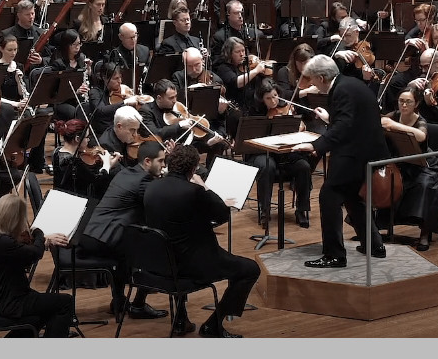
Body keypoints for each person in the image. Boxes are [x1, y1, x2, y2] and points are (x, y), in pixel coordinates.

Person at [144, 144, 260, 338]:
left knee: (177, 245)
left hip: (160, 262)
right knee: (250, 269)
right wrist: (204, 186)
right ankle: (213, 325)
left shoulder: (151, 186)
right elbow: (223, 215)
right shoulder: (194, 192)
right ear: (193, 169)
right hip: (193, 264)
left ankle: (181, 319)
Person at [292, 54, 390, 267]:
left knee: (329, 196)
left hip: (355, 153)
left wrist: (316, 145)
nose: (313, 85)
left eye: (313, 79)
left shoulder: (341, 90)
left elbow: (345, 126)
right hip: (368, 150)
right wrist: (330, 119)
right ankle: (374, 245)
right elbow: (353, 119)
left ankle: (334, 255)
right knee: (352, 198)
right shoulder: (350, 84)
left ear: (321, 77)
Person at [80, 140, 168, 320]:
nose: (164, 165)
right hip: (103, 236)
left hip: (90, 232)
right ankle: (137, 305)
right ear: (147, 162)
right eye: (161, 161)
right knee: (155, 250)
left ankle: (119, 301)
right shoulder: (144, 181)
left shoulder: (126, 171)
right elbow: (159, 206)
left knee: (129, 248)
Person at [0, 194, 75, 337]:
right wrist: (39, 232)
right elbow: (34, 253)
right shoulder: (3, 242)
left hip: (3, 297)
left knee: (45, 309)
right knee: (65, 302)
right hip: (11, 302)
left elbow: (23, 258)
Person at [250, 80, 313, 228]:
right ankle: (264, 210)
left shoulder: (288, 108)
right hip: (264, 153)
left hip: (286, 153)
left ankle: (301, 210)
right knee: (267, 167)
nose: (273, 101)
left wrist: (298, 126)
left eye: (275, 96)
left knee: (303, 166)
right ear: (261, 99)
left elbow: (304, 123)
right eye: (268, 98)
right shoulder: (256, 112)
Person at [380, 88, 436, 250]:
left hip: (423, 166)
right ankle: (376, 226)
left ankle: (425, 233)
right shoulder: (392, 116)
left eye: (408, 102)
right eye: (401, 101)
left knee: (426, 186)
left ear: (416, 104)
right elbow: (380, 122)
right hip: (399, 163)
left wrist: (395, 126)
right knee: (382, 180)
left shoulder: (420, 121)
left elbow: (421, 136)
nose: (404, 105)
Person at [51, 118, 118, 199]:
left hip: (59, 197)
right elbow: (96, 180)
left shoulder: (57, 152)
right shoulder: (71, 162)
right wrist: (107, 165)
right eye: (87, 137)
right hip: (74, 203)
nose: (89, 140)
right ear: (77, 139)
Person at [104, 22, 150, 92]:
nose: (133, 40)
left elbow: (149, 73)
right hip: (121, 91)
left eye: (135, 36)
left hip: (143, 90)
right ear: (121, 37)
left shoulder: (145, 50)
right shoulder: (114, 54)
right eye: (130, 38)